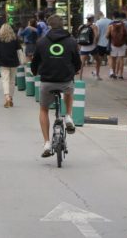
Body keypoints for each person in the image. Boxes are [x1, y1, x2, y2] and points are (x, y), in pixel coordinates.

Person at [30, 15, 81, 158]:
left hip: (47, 81)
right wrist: (75, 70)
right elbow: (77, 62)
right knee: (69, 91)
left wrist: (35, 72)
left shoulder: (41, 42)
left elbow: (35, 62)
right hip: (65, 80)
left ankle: (46, 142)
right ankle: (69, 116)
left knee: (44, 109)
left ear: (49, 25)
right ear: (63, 25)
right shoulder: (71, 41)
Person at [0, 23, 22, 108]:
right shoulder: (15, 40)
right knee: (12, 81)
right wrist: (22, 60)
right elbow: (19, 51)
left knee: (5, 80)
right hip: (13, 62)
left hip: (3, 63)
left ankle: (7, 97)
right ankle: (11, 98)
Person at [106, 12, 127, 80]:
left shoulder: (111, 25)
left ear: (113, 17)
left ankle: (114, 74)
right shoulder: (123, 25)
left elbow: (107, 36)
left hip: (113, 44)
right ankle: (121, 75)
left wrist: (110, 37)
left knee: (113, 59)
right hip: (122, 44)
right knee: (121, 59)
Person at [76, 15, 99, 80]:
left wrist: (79, 45)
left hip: (83, 46)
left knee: (82, 63)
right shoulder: (94, 26)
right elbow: (96, 35)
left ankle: (80, 78)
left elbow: (78, 35)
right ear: (92, 19)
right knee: (98, 60)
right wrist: (95, 43)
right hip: (92, 46)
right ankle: (97, 75)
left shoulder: (81, 26)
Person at [94, 12, 112, 80]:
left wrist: (95, 42)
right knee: (109, 57)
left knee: (99, 60)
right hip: (108, 43)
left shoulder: (98, 22)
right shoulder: (110, 21)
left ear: (98, 16)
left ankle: (97, 74)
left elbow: (97, 34)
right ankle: (111, 72)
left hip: (100, 43)